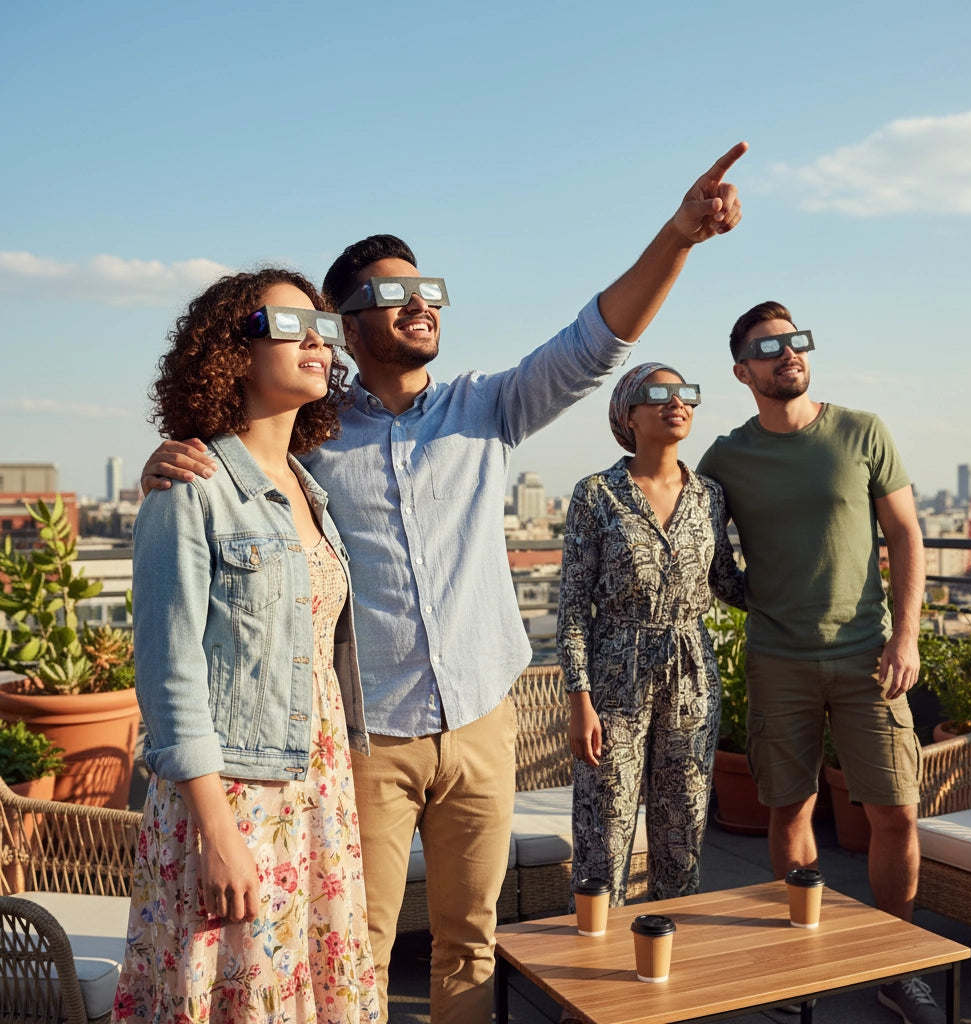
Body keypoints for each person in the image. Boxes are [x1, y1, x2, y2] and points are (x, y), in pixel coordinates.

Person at [141, 142, 748, 1023]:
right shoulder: (307, 432)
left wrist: (680, 236)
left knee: (471, 941)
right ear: (345, 327)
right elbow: (232, 446)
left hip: (478, 723)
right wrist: (174, 455)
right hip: (366, 739)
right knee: (358, 944)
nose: (418, 303)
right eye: (389, 294)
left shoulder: (485, 407)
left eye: (425, 289)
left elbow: (596, 341)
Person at [116, 270, 379, 1023]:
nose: (315, 342)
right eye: (288, 324)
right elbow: (169, 673)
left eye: (324, 328)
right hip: (234, 800)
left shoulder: (308, 487)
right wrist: (217, 832)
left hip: (314, 792)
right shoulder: (191, 486)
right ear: (231, 347)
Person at [696, 301, 939, 1024]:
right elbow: (702, 549)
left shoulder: (862, 431)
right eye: (768, 348)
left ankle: (897, 966)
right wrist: (755, 601)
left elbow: (906, 536)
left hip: (871, 657)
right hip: (778, 660)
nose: (786, 354)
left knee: (895, 809)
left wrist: (907, 637)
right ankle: (800, 955)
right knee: (788, 806)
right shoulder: (726, 457)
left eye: (794, 342)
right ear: (743, 371)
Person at [557, 362, 745, 910]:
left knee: (683, 823)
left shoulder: (710, 495)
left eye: (686, 392)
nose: (677, 401)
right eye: (658, 393)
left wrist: (806, 568)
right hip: (616, 669)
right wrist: (580, 701)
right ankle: (592, 960)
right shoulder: (596, 494)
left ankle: (669, 957)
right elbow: (572, 606)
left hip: (693, 670)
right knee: (605, 825)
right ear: (628, 414)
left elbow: (728, 583)